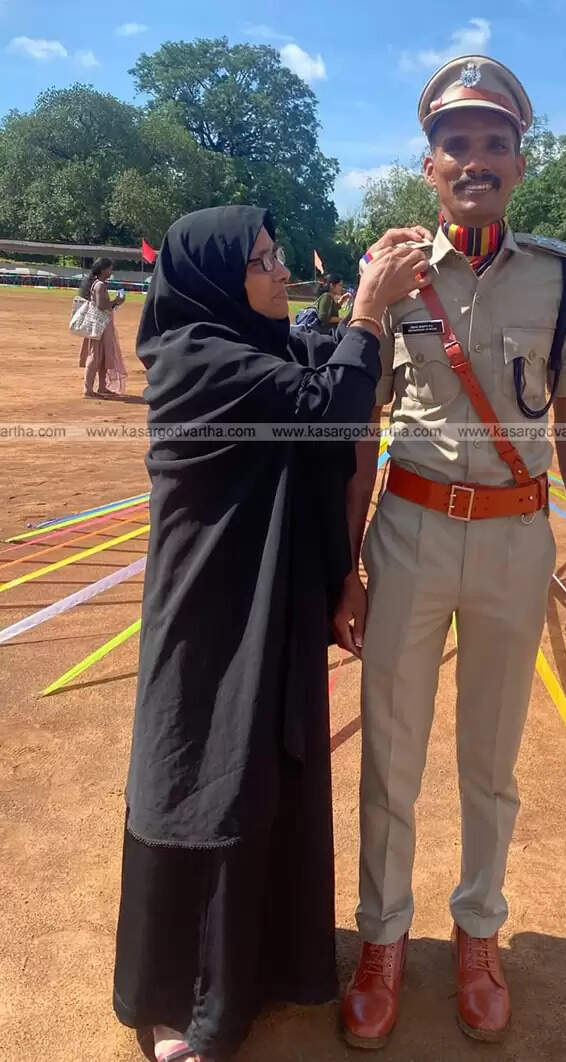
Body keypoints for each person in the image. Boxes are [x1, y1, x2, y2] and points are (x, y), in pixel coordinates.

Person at [337, 56, 566, 1047]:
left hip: (515, 541)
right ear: (429, 164)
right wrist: (346, 564)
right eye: (456, 143)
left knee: (490, 762)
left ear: (518, 163)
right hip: (407, 532)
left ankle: (477, 933)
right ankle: (380, 940)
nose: (475, 159)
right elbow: (357, 422)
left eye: (494, 143)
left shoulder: (559, 275)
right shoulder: (392, 271)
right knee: (391, 760)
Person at [112, 205, 428, 1062]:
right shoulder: (194, 360)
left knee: (267, 770)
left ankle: (265, 966)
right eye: (260, 260)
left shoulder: (261, 348)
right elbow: (329, 407)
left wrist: (369, 296)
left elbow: (327, 365)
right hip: (211, 610)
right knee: (199, 774)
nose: (276, 269)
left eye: (275, 252)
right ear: (215, 279)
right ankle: (182, 992)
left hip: (271, 596)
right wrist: (366, 307)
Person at [77, 257, 128, 398]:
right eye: (110, 268)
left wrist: (116, 303)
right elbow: (101, 306)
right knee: (95, 356)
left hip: (102, 325)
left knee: (103, 356)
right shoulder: (100, 285)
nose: (111, 271)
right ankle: (88, 390)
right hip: (100, 326)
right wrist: (116, 301)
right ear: (103, 269)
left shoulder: (98, 284)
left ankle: (101, 387)